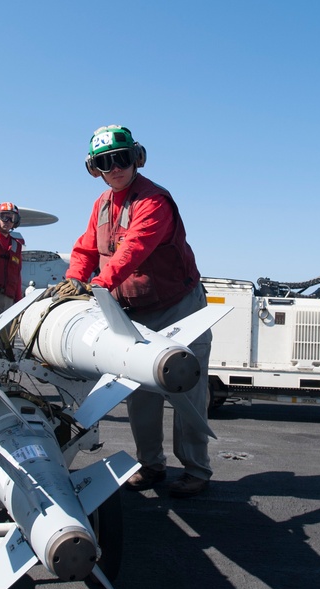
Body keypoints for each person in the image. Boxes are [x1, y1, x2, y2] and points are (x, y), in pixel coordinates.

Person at [52, 125, 212, 498]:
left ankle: (197, 470)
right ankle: (151, 465)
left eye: (121, 158)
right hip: (133, 312)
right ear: (95, 169)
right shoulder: (102, 206)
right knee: (140, 391)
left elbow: (133, 249)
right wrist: (74, 278)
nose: (115, 168)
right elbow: (86, 249)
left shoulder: (154, 201)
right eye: (106, 163)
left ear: (136, 158)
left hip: (179, 309)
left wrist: (99, 284)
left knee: (185, 390)